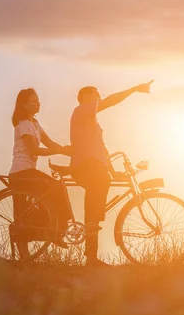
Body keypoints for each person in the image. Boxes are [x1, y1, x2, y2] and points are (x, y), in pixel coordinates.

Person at [70, 81, 153, 267]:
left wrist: (113, 171)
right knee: (95, 207)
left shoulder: (92, 122)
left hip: (95, 166)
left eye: (98, 95)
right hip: (86, 166)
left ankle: (92, 252)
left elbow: (102, 150)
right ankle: (91, 256)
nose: (98, 97)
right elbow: (110, 102)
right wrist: (132, 89)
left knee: (99, 197)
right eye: (95, 94)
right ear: (84, 98)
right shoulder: (81, 111)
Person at [9, 88, 71, 252]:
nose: (38, 103)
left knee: (25, 213)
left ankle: (53, 230)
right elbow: (34, 150)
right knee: (56, 188)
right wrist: (57, 150)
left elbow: (49, 144)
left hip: (27, 172)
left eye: (38, 100)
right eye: (33, 101)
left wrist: (65, 150)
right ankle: (57, 230)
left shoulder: (35, 124)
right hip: (21, 173)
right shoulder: (24, 124)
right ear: (24, 105)